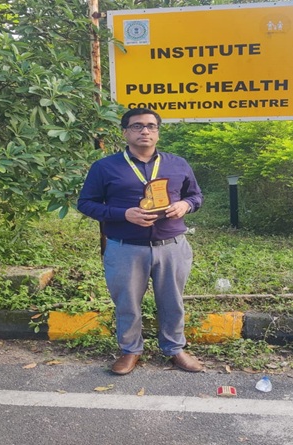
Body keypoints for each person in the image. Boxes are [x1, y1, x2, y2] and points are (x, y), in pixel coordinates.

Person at [77, 108, 204, 375]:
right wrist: (123, 214)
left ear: (157, 132)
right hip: (125, 247)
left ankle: (175, 348)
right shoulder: (105, 167)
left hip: (171, 246)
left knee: (172, 301)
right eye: (137, 126)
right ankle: (130, 350)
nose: (145, 131)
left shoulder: (177, 164)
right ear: (125, 132)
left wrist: (185, 205)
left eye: (150, 126)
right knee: (127, 303)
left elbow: (195, 196)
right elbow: (86, 203)